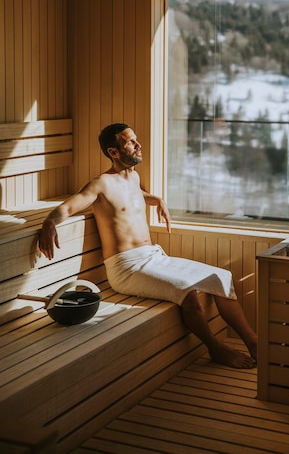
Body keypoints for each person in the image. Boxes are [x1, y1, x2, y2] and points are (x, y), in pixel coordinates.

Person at [38, 123, 257, 369]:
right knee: (189, 293)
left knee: (222, 276)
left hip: (153, 257)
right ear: (114, 152)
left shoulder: (133, 177)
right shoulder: (100, 184)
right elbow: (67, 207)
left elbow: (134, 197)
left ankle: (253, 342)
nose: (139, 144)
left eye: (136, 139)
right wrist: (49, 222)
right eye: (131, 142)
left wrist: (158, 199)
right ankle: (216, 349)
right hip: (127, 268)